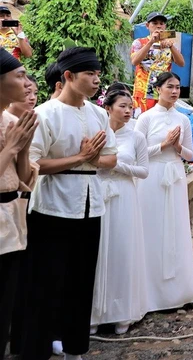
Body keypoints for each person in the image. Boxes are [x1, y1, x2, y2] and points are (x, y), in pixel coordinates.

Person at [23, 47, 117, 360]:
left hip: (91, 205)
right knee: (47, 281)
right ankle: (39, 346)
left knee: (82, 279)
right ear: (68, 76)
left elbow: (112, 157)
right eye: (89, 74)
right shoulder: (45, 114)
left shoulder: (99, 113)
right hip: (52, 206)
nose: (95, 80)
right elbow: (34, 163)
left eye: (97, 74)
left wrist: (94, 160)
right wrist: (81, 157)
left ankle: (76, 347)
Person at [134, 72, 193, 313]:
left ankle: (179, 291)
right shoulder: (145, 118)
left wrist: (177, 146)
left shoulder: (183, 119)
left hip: (174, 175)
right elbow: (136, 153)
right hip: (151, 177)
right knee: (151, 229)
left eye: (177, 87)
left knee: (175, 228)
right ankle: (149, 294)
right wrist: (163, 145)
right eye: (169, 87)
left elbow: (191, 155)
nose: (174, 91)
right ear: (158, 89)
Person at [91, 89, 149, 334]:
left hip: (125, 196)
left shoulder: (136, 138)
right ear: (108, 108)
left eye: (130, 106)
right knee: (97, 249)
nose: (128, 111)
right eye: (122, 106)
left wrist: (119, 166)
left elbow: (144, 171)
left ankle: (122, 311)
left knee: (122, 249)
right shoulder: (96, 134)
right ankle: (94, 312)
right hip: (98, 193)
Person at [0, 49, 38, 360]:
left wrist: (22, 150)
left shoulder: (11, 120)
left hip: (13, 217)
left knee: (5, 306)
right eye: (20, 76)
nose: (26, 84)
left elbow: (23, 178)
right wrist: (10, 147)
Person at [130, 11, 185, 113]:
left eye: (161, 23)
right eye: (155, 23)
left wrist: (171, 46)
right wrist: (151, 42)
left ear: (165, 26)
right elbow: (134, 61)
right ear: (147, 26)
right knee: (143, 122)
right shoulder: (139, 42)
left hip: (165, 91)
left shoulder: (171, 42)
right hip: (144, 91)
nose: (158, 26)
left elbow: (181, 63)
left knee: (163, 122)